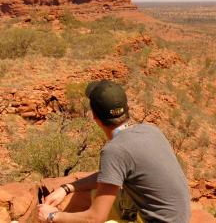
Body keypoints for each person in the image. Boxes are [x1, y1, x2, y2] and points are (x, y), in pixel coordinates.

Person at [38, 80, 191, 223]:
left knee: (84, 206)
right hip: (177, 217)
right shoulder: (151, 130)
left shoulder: (114, 150)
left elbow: (95, 218)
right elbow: (110, 175)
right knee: (87, 196)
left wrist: (52, 215)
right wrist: (67, 188)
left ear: (95, 117)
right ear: (127, 110)